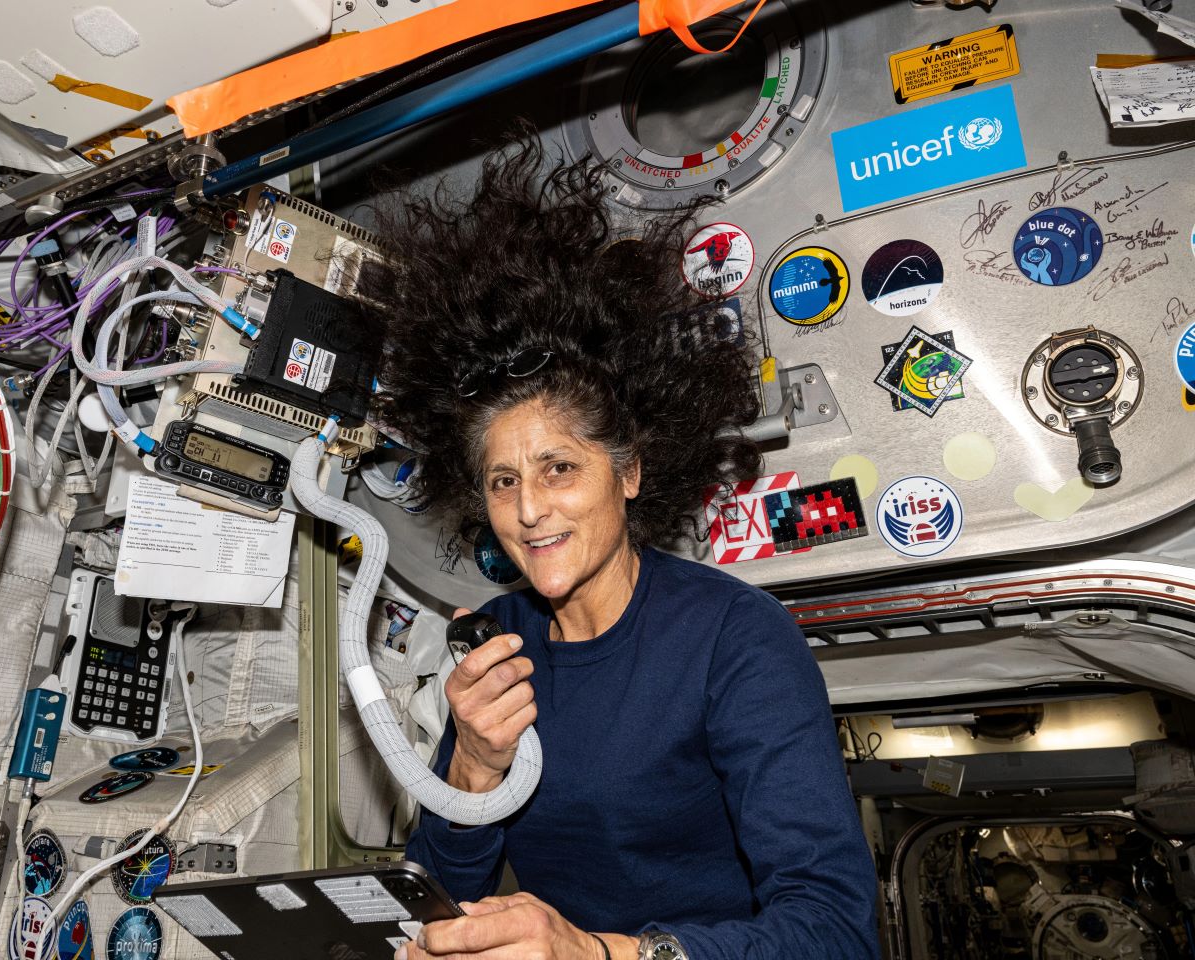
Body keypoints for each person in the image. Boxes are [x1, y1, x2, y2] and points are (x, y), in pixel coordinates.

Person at [371, 132, 879, 960]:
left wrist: (609, 954)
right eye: (503, 481)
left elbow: (833, 931)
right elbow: (440, 896)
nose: (530, 510)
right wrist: (472, 764)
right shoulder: (498, 643)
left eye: (559, 468)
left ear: (631, 472)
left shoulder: (735, 639)